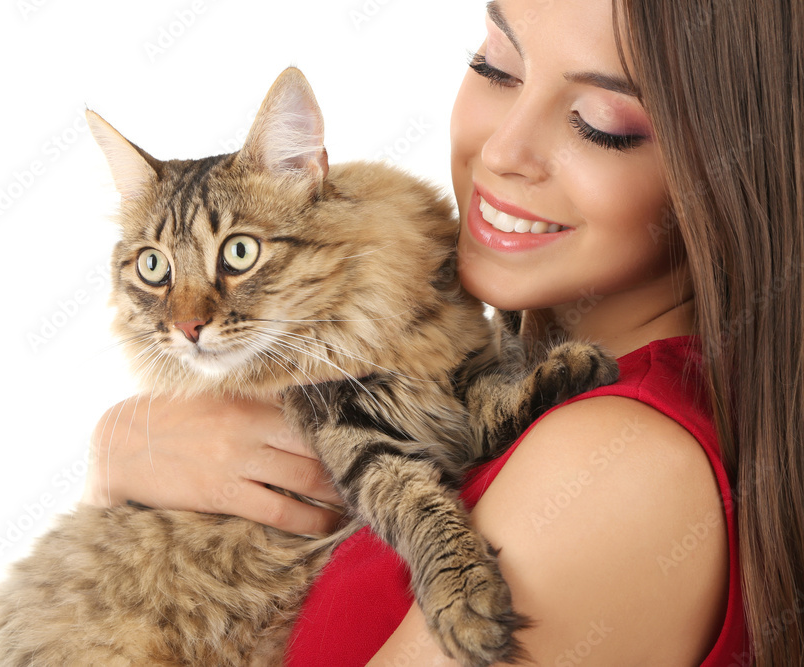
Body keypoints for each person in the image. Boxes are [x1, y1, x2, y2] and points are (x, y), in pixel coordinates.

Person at [82, 0, 804, 664]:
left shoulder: (619, 469)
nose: (503, 150)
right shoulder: (510, 395)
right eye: (496, 65)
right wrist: (124, 497)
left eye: (599, 122)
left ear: (731, 168)